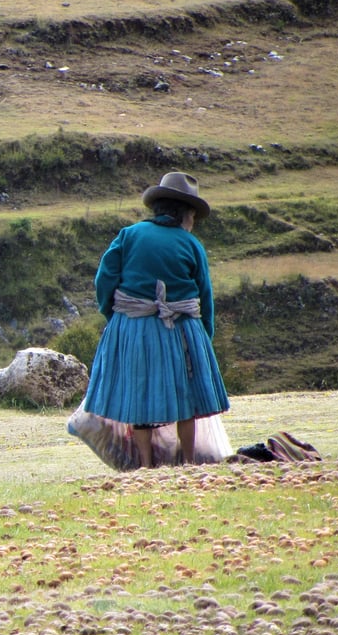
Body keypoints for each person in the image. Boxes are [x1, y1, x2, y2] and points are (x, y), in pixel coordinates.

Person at [81, 172, 230, 467]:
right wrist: (205, 336)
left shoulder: (129, 235)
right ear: (186, 213)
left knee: (139, 393)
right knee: (186, 397)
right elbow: (204, 295)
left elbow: (104, 279)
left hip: (134, 328)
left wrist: (115, 314)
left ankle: (146, 464)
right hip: (181, 330)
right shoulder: (191, 245)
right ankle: (188, 461)